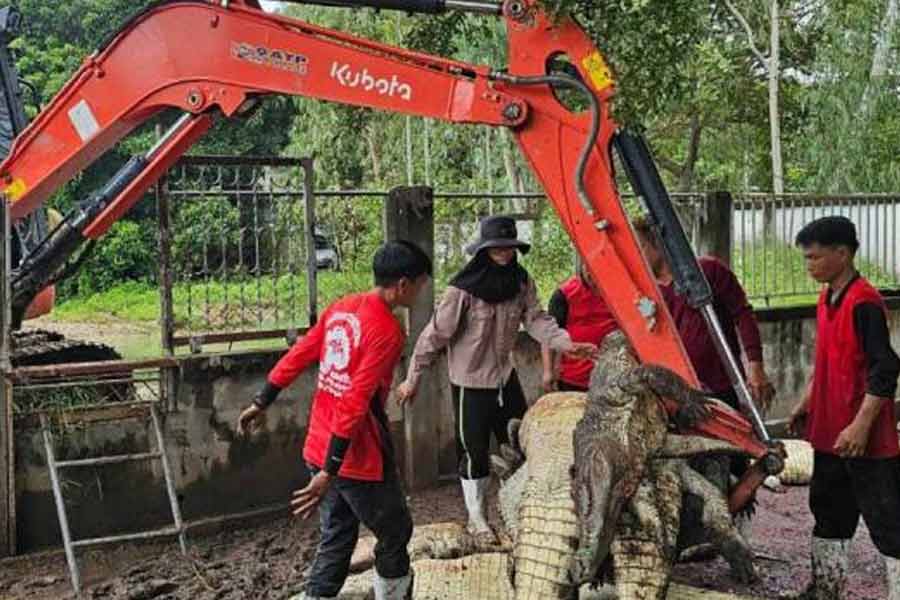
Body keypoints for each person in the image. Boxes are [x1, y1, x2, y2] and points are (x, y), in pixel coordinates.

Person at [236, 240, 433, 600]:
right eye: (421, 284)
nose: (421, 291)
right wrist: (331, 469)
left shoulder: (342, 308)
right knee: (394, 530)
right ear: (403, 284)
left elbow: (300, 353)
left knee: (338, 534)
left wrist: (262, 400)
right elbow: (355, 401)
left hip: (319, 443)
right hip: (355, 456)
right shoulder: (387, 332)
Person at [395, 214, 598, 542]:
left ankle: (520, 512)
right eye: (497, 247)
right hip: (470, 384)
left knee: (520, 446)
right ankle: (477, 518)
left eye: (509, 246)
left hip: (506, 380)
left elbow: (536, 320)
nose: (504, 252)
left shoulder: (521, 282)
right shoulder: (463, 290)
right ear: (484, 250)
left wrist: (567, 343)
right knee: (473, 453)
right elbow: (435, 335)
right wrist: (412, 378)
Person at [632, 216, 774, 541]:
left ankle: (733, 530)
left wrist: (755, 365)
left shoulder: (707, 272)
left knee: (725, 458)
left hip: (716, 389)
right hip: (672, 396)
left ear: (658, 243)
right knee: (684, 466)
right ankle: (696, 532)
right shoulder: (645, 291)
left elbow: (742, 313)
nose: (637, 256)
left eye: (640, 246)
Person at [786, 216, 899, 600]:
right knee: (829, 513)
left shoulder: (864, 301)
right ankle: (825, 589)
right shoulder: (825, 298)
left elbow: (885, 368)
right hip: (830, 431)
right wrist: (806, 402)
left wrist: (861, 426)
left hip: (864, 438)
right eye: (806, 258)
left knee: (888, 520)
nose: (809, 265)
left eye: (814, 257)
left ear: (842, 253)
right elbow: (828, 360)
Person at [541, 261, 618, 393]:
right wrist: (548, 372)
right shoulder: (564, 295)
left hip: (612, 377)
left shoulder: (619, 291)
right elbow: (548, 335)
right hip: (574, 378)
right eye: (588, 268)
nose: (592, 274)